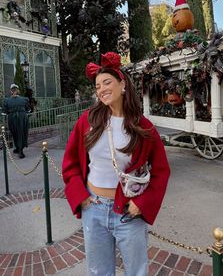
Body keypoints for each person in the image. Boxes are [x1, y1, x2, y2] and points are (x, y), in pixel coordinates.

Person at [62, 52, 170, 276]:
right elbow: (70, 161)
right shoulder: (88, 120)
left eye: (107, 82)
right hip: (93, 207)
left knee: (136, 272)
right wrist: (80, 196)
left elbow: (161, 171)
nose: (101, 89)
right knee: (98, 271)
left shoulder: (143, 127)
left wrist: (144, 202)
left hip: (129, 211)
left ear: (122, 84)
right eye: (98, 86)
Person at [2, 84, 30, 158]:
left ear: (11, 91)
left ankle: (19, 149)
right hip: (22, 117)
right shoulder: (24, 99)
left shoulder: (6, 100)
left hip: (12, 118)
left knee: (15, 133)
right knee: (21, 133)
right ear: (18, 90)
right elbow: (28, 110)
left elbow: (4, 112)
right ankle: (19, 149)